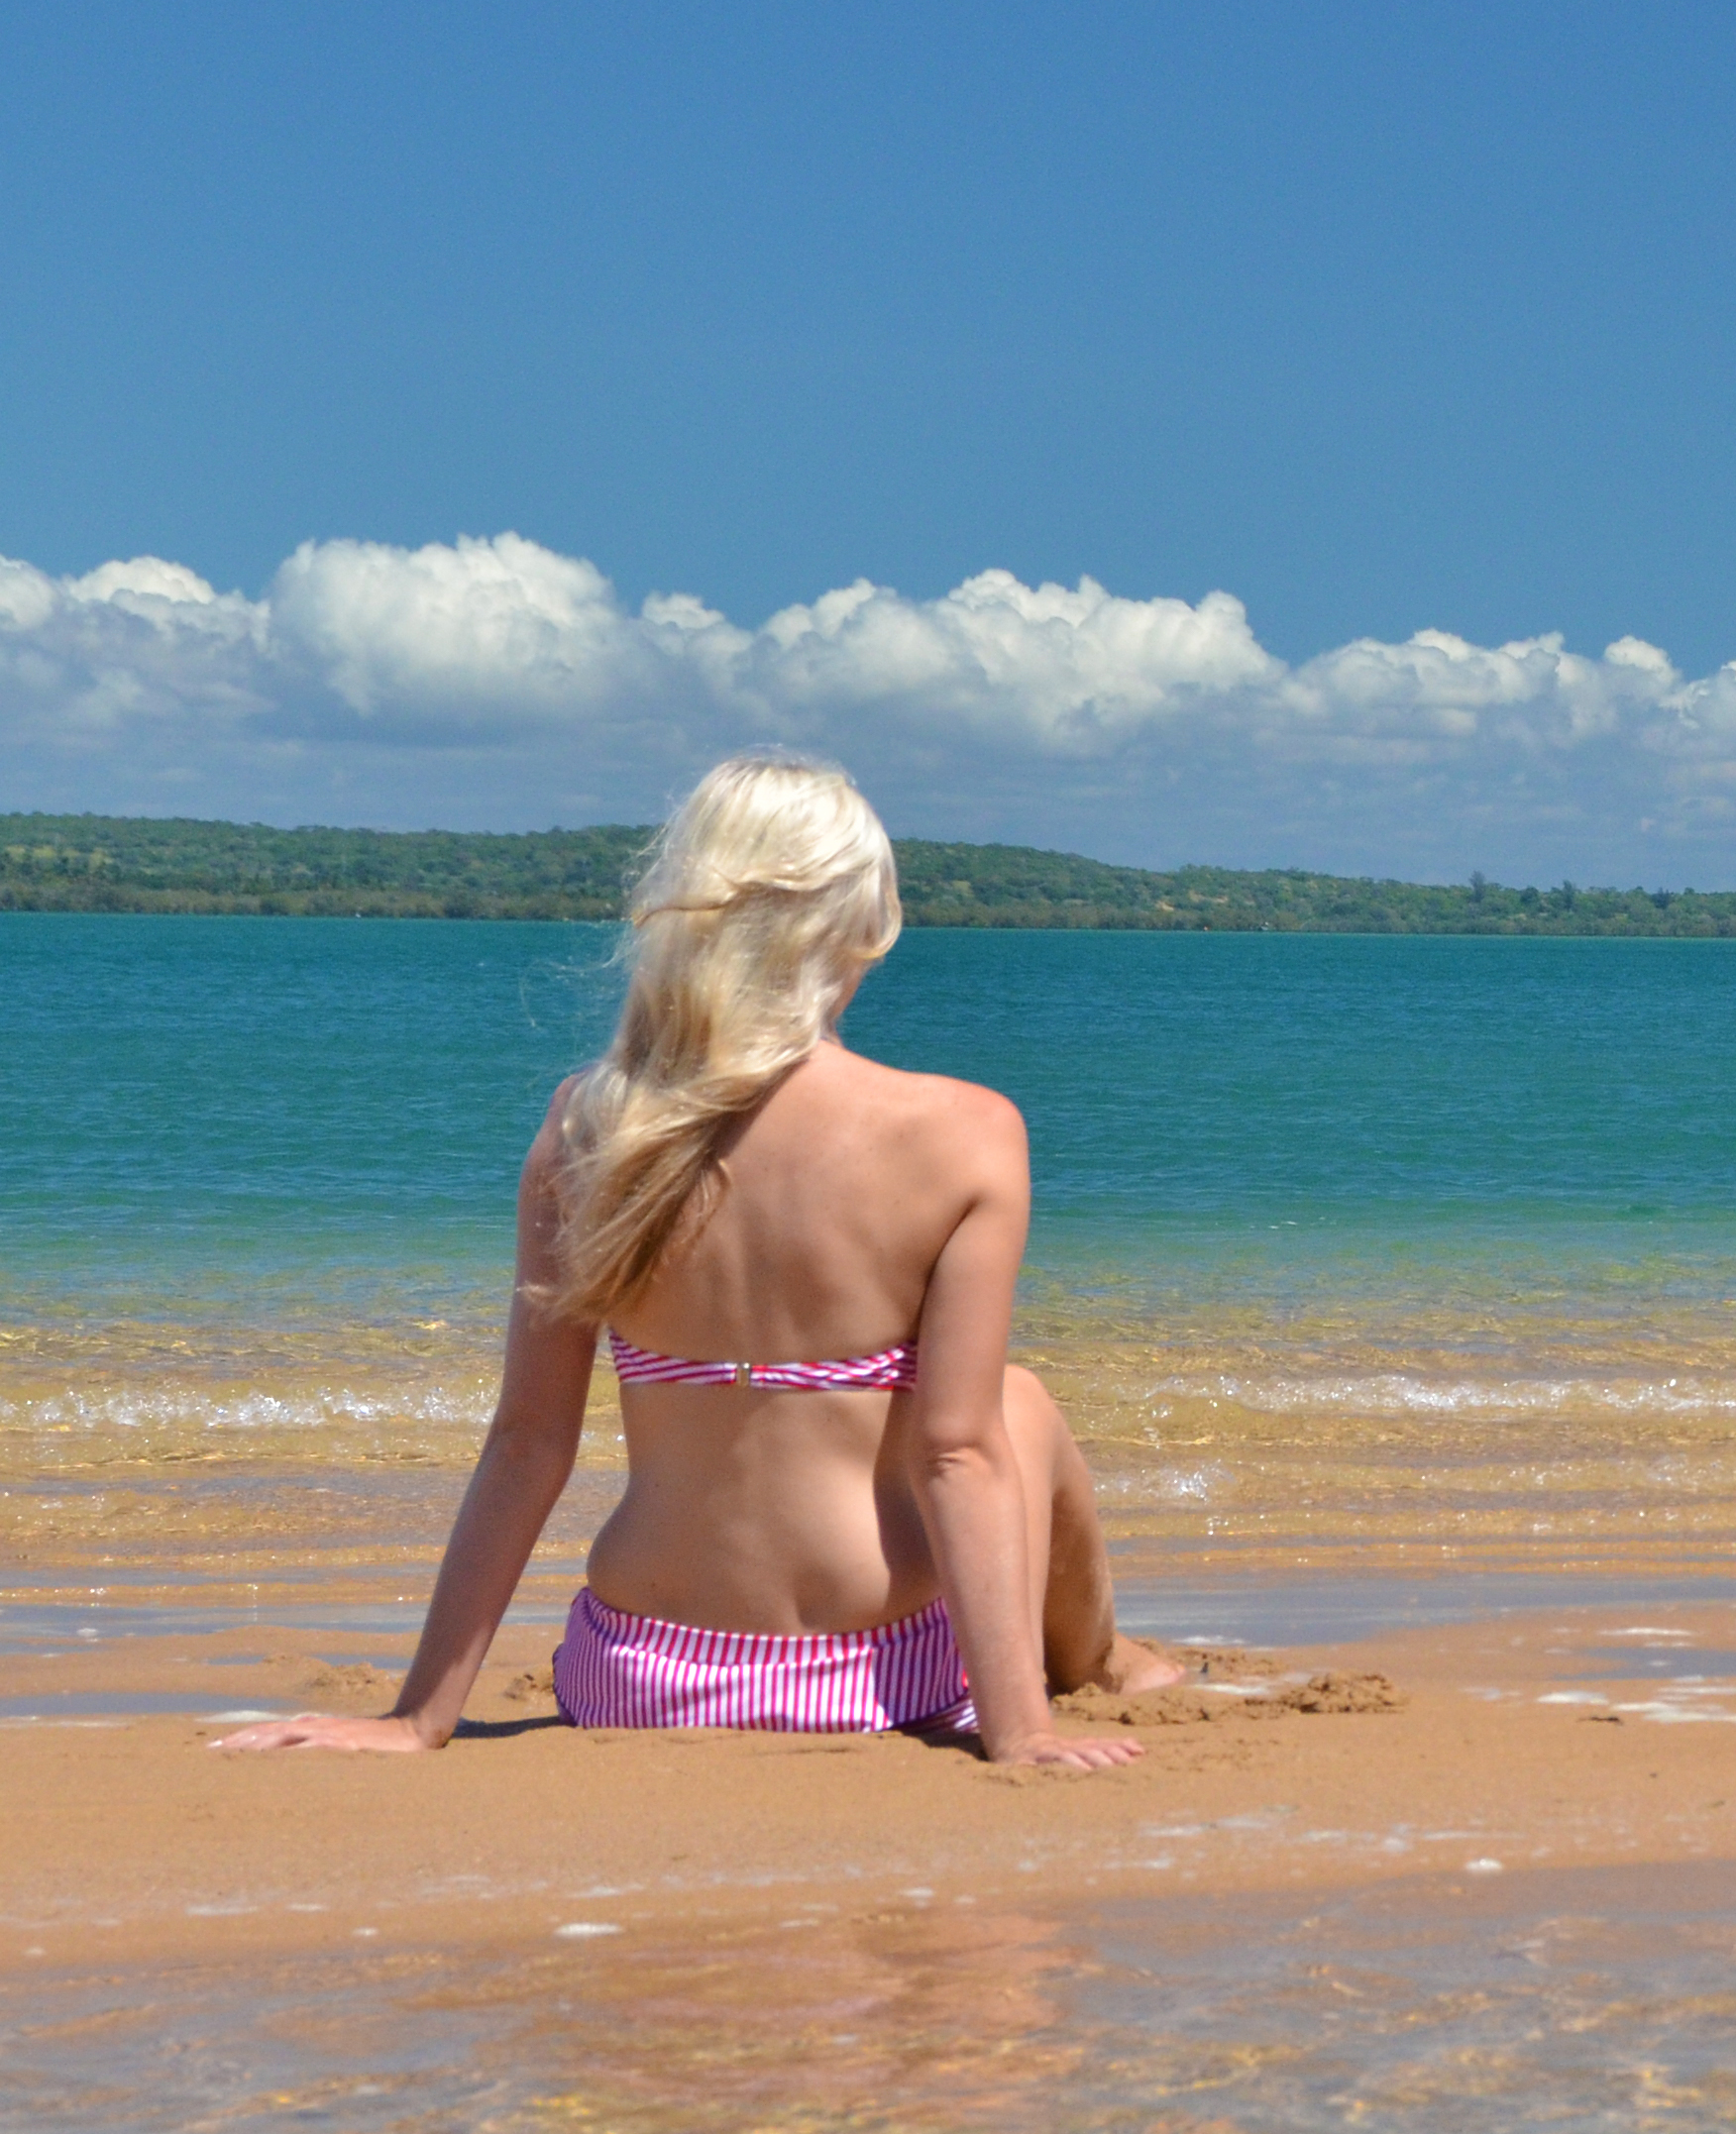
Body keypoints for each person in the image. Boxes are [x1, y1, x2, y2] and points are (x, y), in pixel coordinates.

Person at [215, 755, 1179, 1769]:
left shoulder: (591, 1124)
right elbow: (956, 1456)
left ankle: (1116, 1658)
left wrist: (418, 1718)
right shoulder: (964, 1133)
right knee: (1009, 1407)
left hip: (636, 1673)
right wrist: (1017, 1733)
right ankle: (1101, 1659)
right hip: (877, 1676)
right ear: (868, 929)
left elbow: (527, 1444)